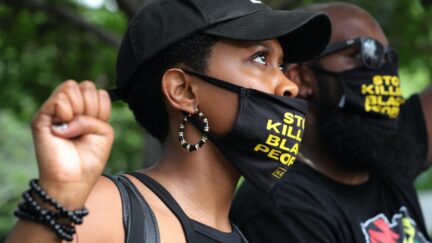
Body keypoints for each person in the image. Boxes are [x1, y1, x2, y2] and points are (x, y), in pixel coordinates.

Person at [6, 0, 331, 242]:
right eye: (261, 58)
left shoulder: (240, 234)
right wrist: (59, 195)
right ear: (184, 90)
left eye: (281, 64)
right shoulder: (109, 211)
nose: (290, 85)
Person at [230, 2, 432, 243]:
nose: (384, 71)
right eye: (365, 53)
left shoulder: (386, 153)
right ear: (300, 77)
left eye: (388, 58)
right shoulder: (284, 208)